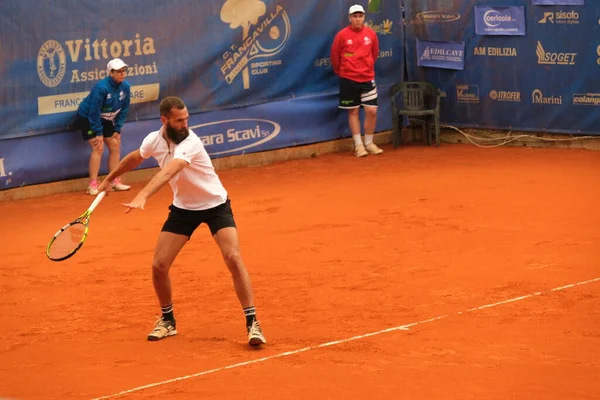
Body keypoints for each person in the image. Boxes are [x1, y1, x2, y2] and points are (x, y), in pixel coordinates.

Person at [97, 96, 267, 346]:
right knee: (159, 265)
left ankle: (253, 323)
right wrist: (110, 178)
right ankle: (168, 321)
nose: (185, 124)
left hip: (215, 205)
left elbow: (170, 170)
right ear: (164, 120)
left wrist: (143, 194)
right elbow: (136, 157)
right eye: (179, 120)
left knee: (233, 257)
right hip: (184, 208)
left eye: (186, 118)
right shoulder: (154, 140)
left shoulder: (191, 141)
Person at [330, 4, 383, 158]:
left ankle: (369, 143)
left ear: (364, 17)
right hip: (348, 79)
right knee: (353, 112)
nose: (358, 19)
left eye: (360, 16)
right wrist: (343, 72)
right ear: (350, 18)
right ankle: (358, 145)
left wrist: (366, 68)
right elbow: (335, 56)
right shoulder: (341, 35)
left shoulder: (371, 34)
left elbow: (374, 54)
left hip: (367, 78)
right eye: (355, 16)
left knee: (371, 111)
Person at [76, 58, 132, 195]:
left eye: (124, 71)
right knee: (98, 147)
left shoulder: (126, 87)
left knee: (114, 145)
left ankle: (114, 181)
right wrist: (98, 132)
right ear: (111, 73)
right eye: (118, 71)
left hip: (105, 118)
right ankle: (92, 185)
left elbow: (124, 109)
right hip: (88, 117)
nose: (122, 73)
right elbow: (93, 111)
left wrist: (117, 129)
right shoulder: (101, 88)